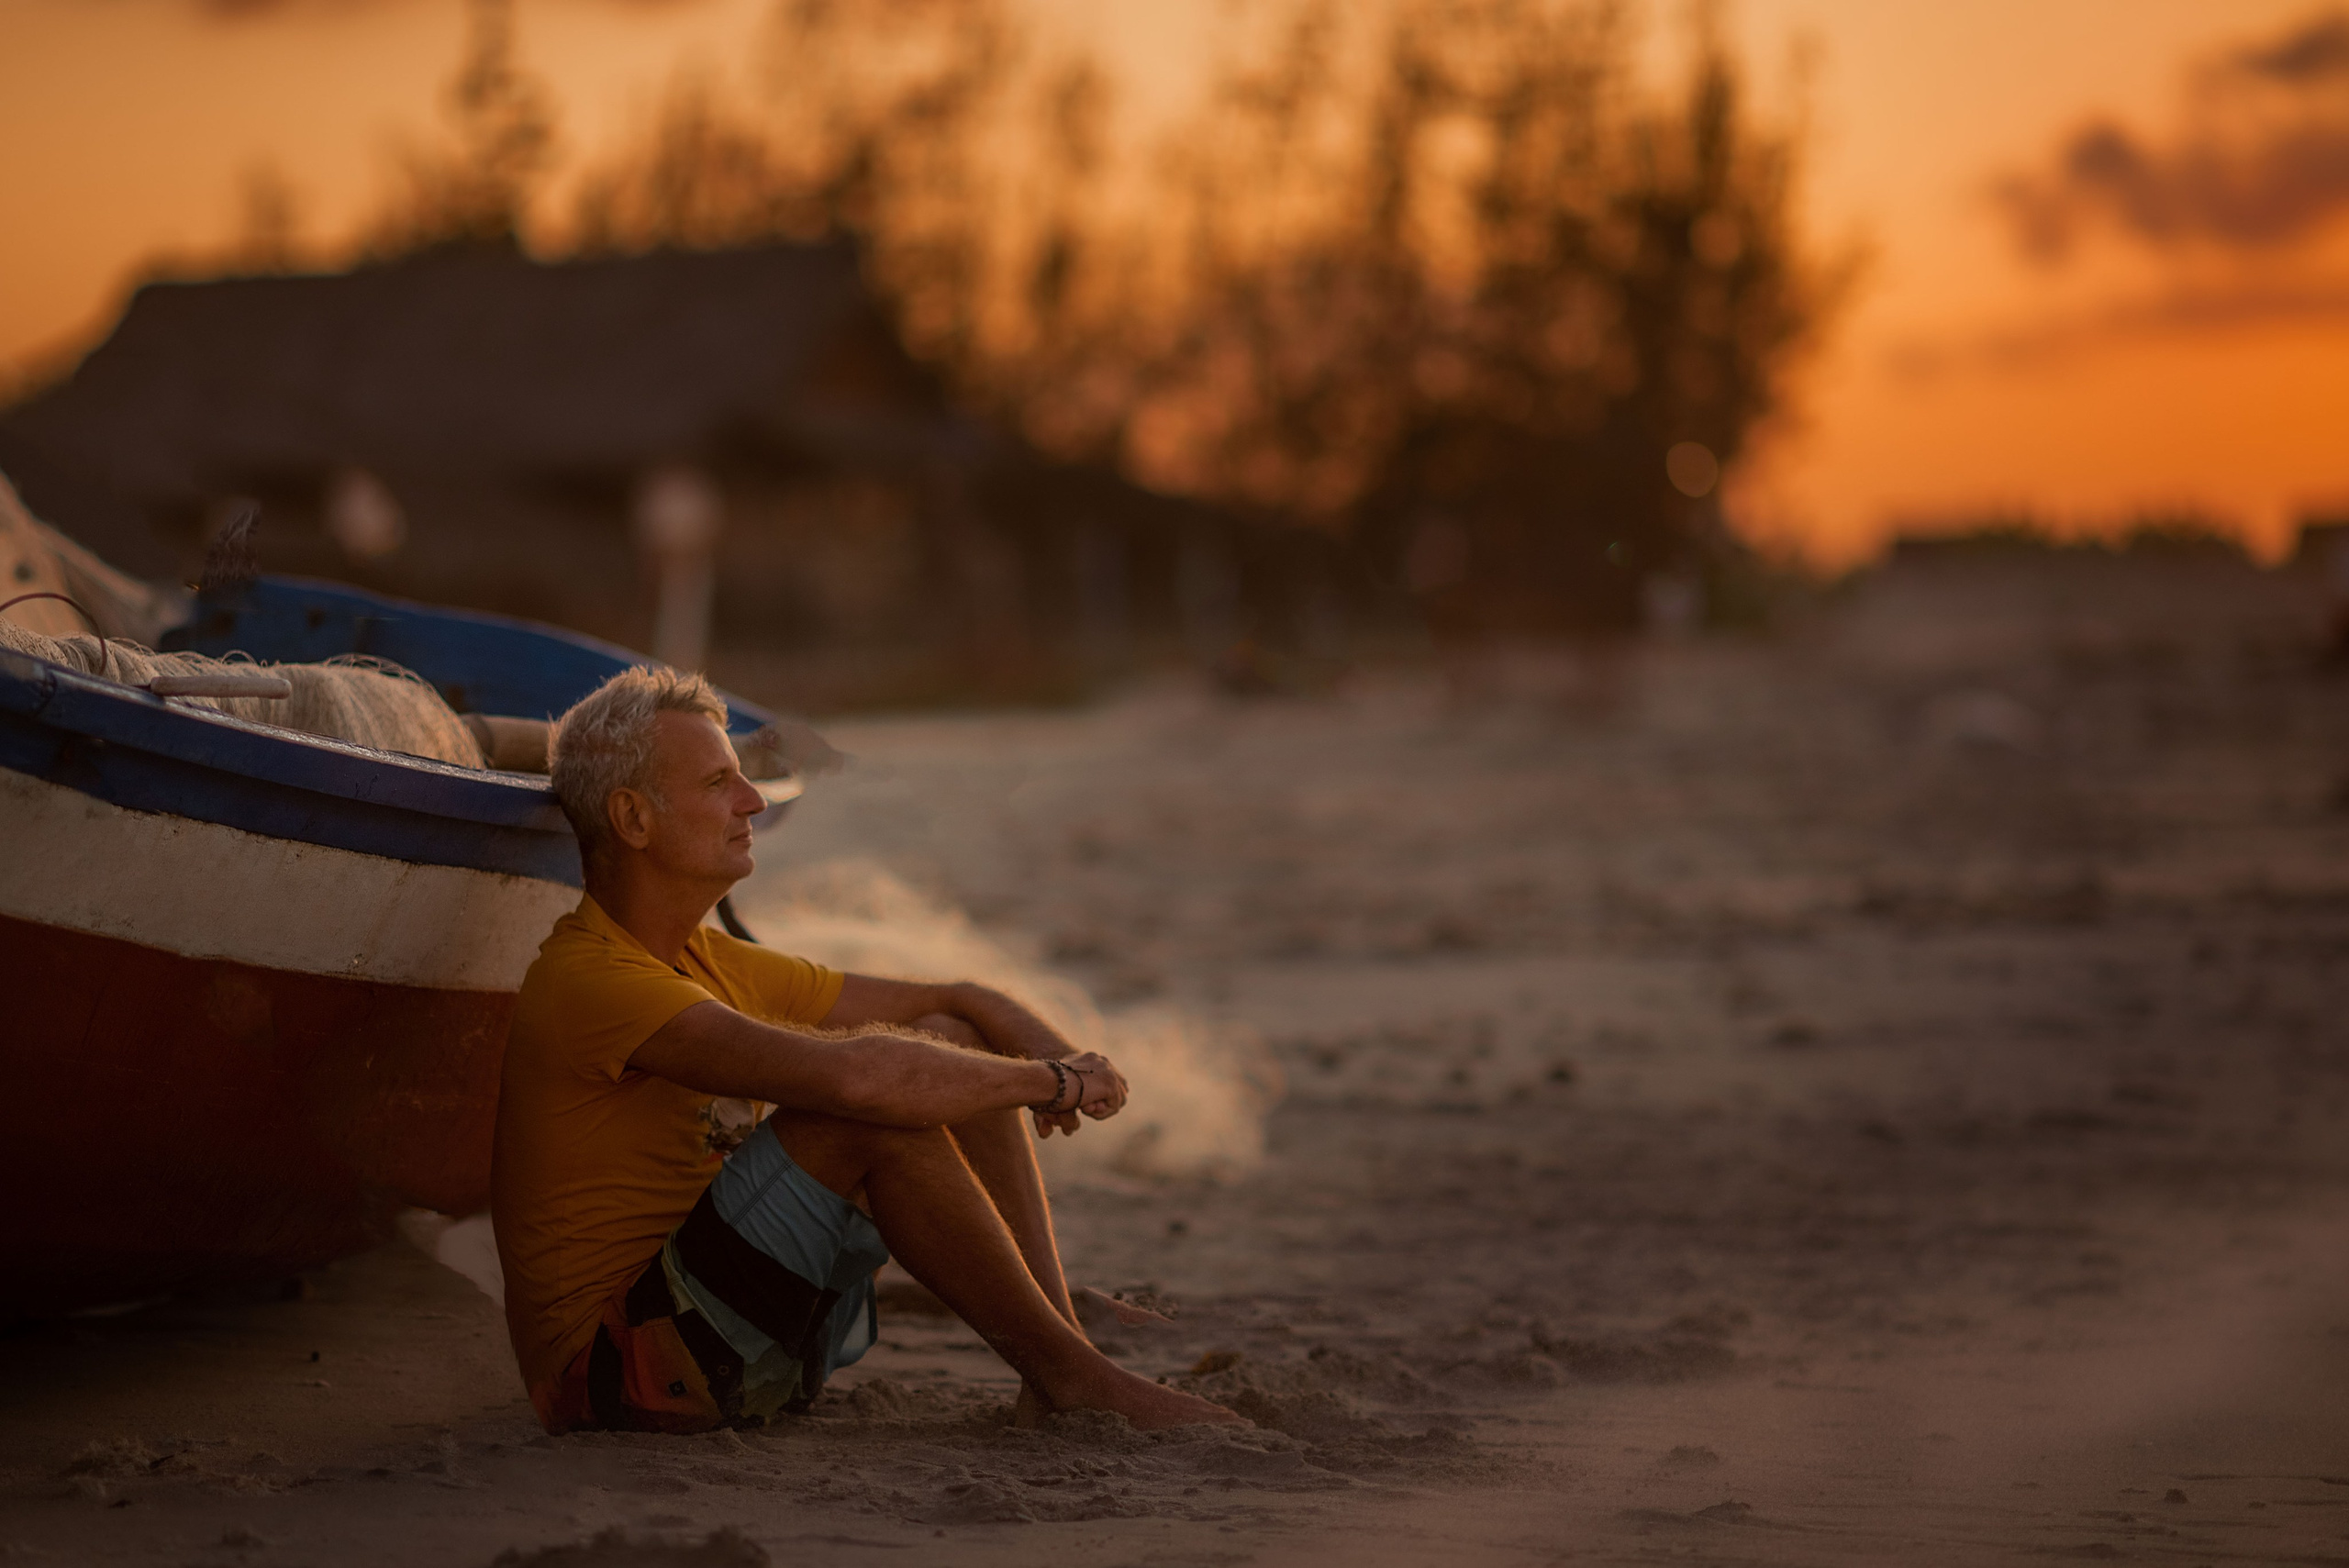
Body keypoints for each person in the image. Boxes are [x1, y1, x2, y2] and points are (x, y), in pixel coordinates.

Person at [490, 666, 1241, 1435]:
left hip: (720, 1335)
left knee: (948, 1049)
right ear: (634, 819)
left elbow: (954, 1001)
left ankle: (1060, 1348)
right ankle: (1073, 1372)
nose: (751, 801)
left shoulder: (704, 956)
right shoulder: (593, 979)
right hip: (617, 1378)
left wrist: (1062, 1062)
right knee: (872, 1109)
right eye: (720, 782)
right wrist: (1044, 1084)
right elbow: (858, 1081)